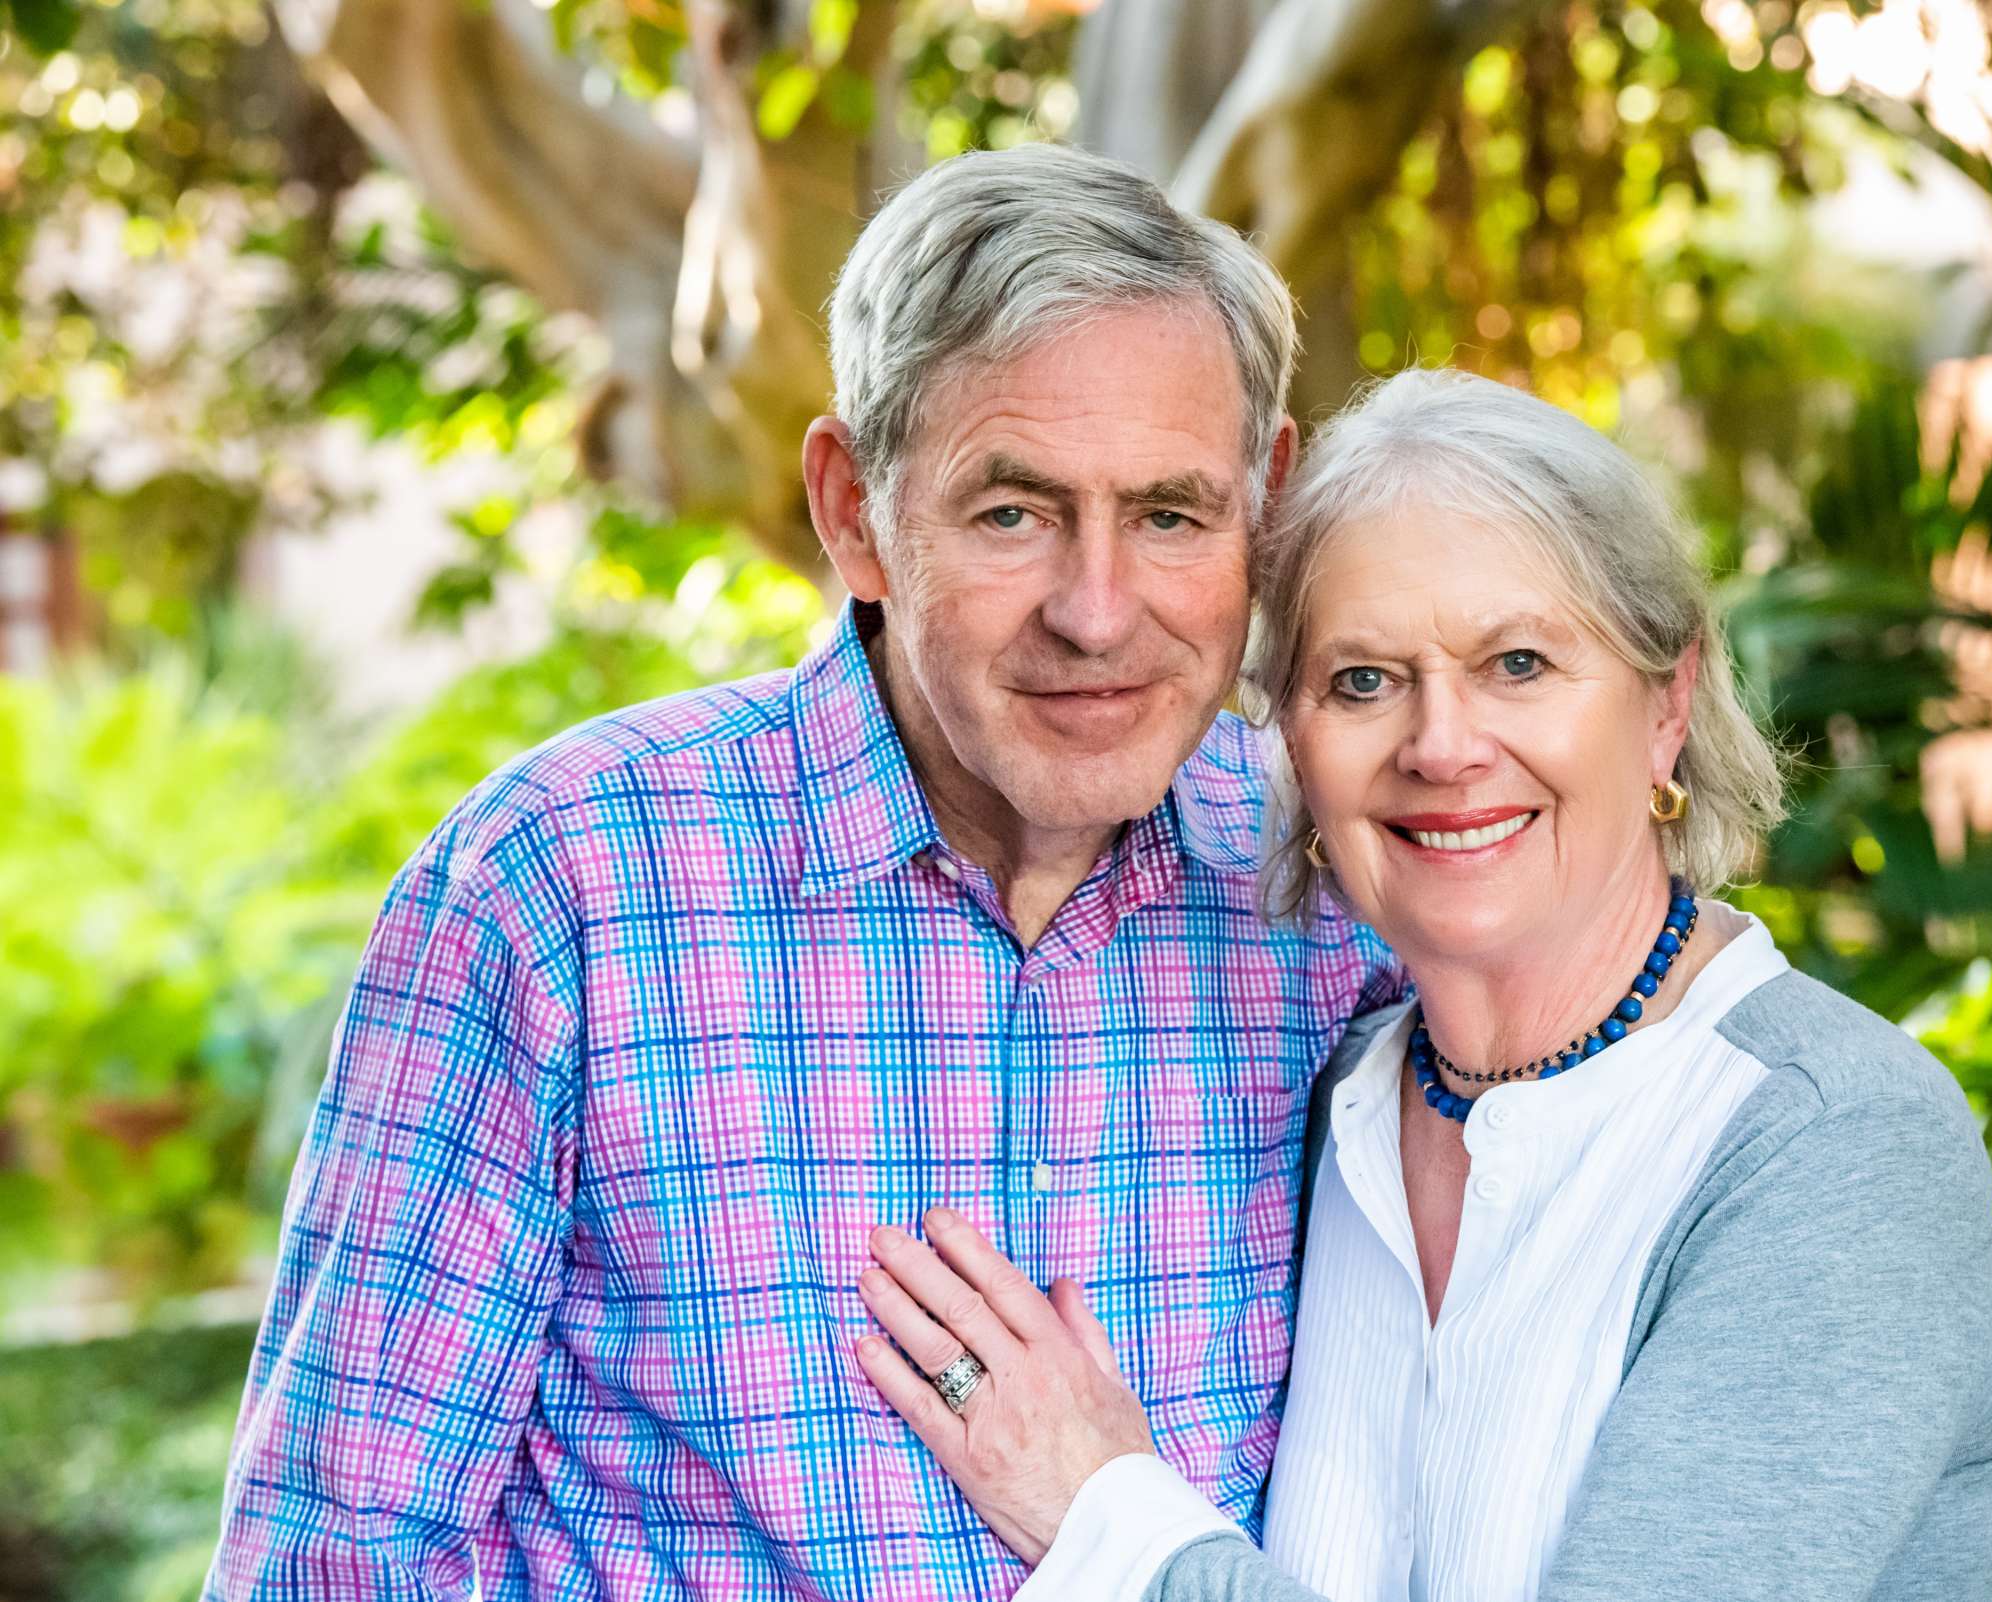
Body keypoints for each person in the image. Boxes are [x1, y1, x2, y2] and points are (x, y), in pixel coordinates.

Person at [204, 143, 1404, 1601]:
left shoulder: (1336, 891)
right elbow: (336, 1565)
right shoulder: (561, 889)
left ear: (1264, 505)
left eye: (1170, 513)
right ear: (854, 512)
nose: (1099, 613)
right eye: (1012, 511)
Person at [855, 368, 1992, 1602]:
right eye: (1361, 681)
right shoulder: (1339, 1104)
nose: (1443, 747)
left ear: (1667, 703)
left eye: (1519, 663)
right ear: (1292, 748)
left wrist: (1107, 1515)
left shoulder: (1830, 1143)